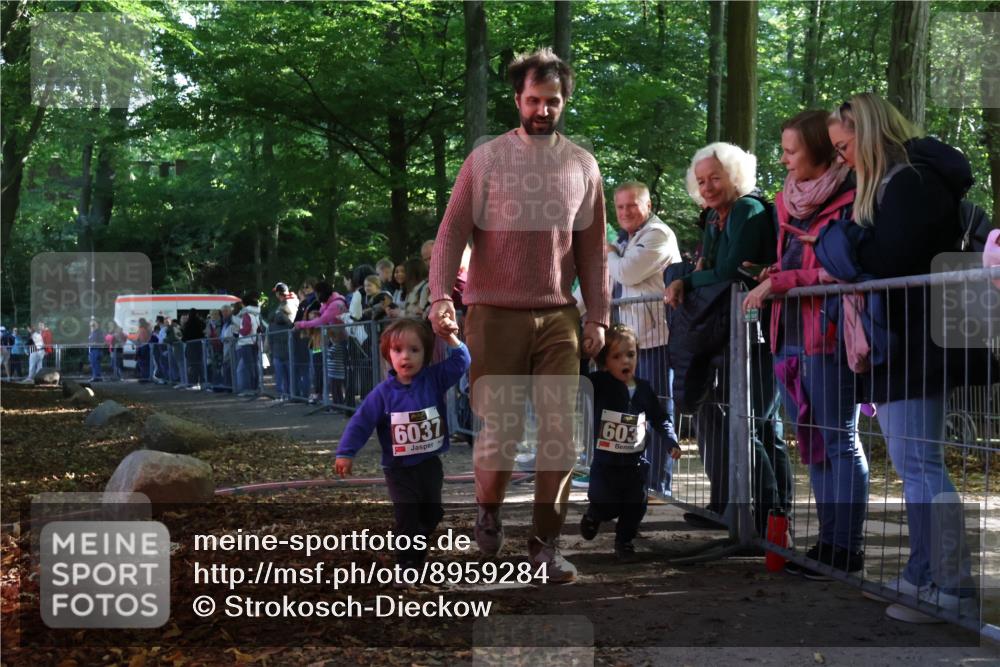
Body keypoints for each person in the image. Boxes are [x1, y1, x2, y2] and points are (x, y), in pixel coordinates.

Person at [429, 47, 609, 581]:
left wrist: (596, 314)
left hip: (558, 315)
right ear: (517, 100)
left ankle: (544, 544)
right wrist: (441, 295)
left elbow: (594, 251)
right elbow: (451, 232)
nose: (543, 109)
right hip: (493, 312)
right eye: (533, 99)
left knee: (561, 434)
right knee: (501, 430)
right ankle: (487, 511)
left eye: (552, 101)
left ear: (564, 103)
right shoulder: (485, 160)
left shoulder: (583, 165)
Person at [822, 93, 982, 622]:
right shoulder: (898, 183)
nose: (842, 158)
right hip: (905, 339)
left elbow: (889, 259)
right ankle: (923, 575)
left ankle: (953, 587)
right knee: (917, 464)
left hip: (915, 341)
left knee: (921, 464)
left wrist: (848, 245)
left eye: (844, 147)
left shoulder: (910, 182)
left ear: (866, 134)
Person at [742, 109, 867, 579]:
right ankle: (828, 544)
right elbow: (791, 260)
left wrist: (784, 281)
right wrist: (774, 276)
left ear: (818, 150)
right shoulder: (783, 202)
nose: (784, 159)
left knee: (838, 440)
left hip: (828, 335)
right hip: (786, 335)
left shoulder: (854, 197)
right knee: (810, 442)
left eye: (791, 150)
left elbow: (840, 268)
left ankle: (846, 548)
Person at [665, 141, 790, 536]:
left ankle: (771, 516)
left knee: (757, 425)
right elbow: (719, 269)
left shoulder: (747, 211)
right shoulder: (718, 218)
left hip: (760, 335)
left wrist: (685, 279)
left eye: (715, 178)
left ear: (734, 176)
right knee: (753, 424)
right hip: (737, 335)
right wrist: (689, 275)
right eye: (701, 181)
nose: (707, 187)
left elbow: (731, 273)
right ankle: (749, 510)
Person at [334, 317, 471, 572]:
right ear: (388, 355)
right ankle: (406, 563)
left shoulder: (434, 379)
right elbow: (360, 422)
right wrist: (346, 452)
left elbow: (462, 361)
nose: (405, 357)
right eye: (398, 350)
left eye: (414, 350)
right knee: (407, 517)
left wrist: (449, 336)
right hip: (398, 469)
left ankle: (416, 545)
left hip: (430, 465)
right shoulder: (383, 393)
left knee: (430, 514)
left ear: (426, 355)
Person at [579, 325, 680, 560]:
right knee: (606, 504)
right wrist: (584, 356)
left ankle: (624, 542)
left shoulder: (644, 389)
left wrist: (670, 440)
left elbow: (659, 417)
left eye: (631, 354)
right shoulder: (599, 384)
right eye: (617, 356)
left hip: (635, 466)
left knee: (635, 507)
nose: (625, 361)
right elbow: (580, 382)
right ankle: (594, 515)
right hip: (605, 465)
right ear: (605, 362)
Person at [607, 181, 682, 495]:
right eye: (620, 206)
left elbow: (624, 273)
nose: (625, 212)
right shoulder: (629, 238)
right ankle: (638, 480)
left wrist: (608, 250)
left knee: (657, 410)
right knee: (634, 410)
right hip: (633, 342)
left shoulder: (657, 235)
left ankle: (657, 485)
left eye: (632, 205)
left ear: (648, 205)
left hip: (657, 340)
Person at [269, 283, 300, 402]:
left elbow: (281, 318)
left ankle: (290, 395)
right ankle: (287, 395)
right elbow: (272, 316)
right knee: (285, 373)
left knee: (288, 372)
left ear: (278, 293)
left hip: (286, 343)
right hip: (281, 344)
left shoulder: (289, 303)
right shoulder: (286, 303)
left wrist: (277, 316)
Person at [235, 294, 262, 396]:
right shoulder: (255, 314)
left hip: (246, 343)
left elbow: (246, 330)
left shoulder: (247, 314)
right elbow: (259, 328)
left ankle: (250, 390)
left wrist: (239, 330)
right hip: (254, 342)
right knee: (254, 367)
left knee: (249, 368)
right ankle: (255, 388)